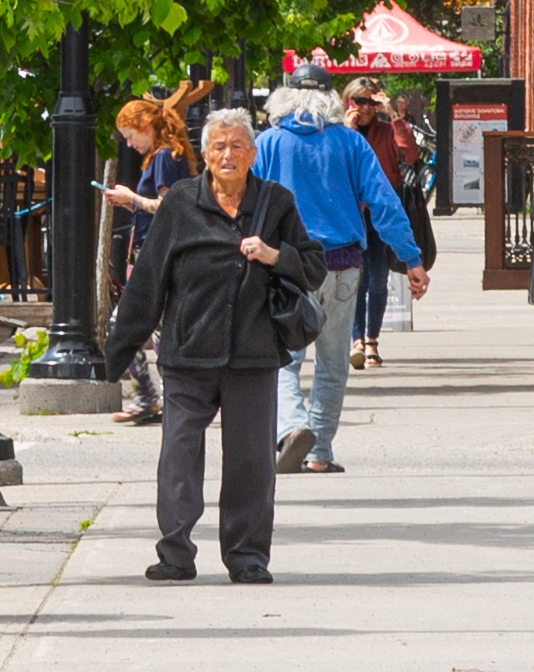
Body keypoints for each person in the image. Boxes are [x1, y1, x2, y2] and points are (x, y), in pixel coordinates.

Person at [101, 109, 326, 584]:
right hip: (188, 353)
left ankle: (247, 558)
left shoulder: (275, 203)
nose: (228, 155)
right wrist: (114, 355)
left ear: (253, 153)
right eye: (219, 147)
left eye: (238, 146)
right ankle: (176, 554)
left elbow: (313, 266)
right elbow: (148, 283)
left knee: (251, 463)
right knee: (179, 457)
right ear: (204, 154)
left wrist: (273, 255)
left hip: (253, 353)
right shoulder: (182, 203)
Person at [249, 82, 425, 473]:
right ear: (331, 101)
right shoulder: (350, 142)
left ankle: (293, 426)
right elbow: (383, 201)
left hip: (288, 265)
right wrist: (412, 259)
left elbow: (245, 204)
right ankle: (319, 453)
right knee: (332, 363)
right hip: (343, 264)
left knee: (285, 360)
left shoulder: (270, 143)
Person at [97, 85, 207, 423]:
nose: (130, 144)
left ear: (147, 126)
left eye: (131, 136)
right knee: (161, 330)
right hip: (162, 252)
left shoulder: (162, 157)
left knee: (125, 325)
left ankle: (151, 395)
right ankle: (169, 397)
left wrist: (131, 199)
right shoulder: (172, 154)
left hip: (155, 253)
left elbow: (166, 206)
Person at [344, 89, 437, 369]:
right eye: (358, 101)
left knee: (377, 279)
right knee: (354, 281)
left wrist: (395, 116)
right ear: (348, 102)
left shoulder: (387, 130)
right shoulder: (340, 133)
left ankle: (372, 339)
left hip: (381, 212)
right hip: (351, 214)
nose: (365, 108)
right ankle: (356, 339)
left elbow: (409, 154)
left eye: (370, 102)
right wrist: (347, 129)